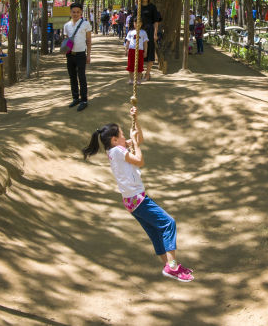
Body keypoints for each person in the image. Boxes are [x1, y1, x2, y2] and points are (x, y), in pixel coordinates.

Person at [82, 107, 194, 282]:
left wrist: (136, 119)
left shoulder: (113, 150)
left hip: (131, 201)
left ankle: (170, 266)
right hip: (138, 199)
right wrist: (133, 141)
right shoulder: (118, 151)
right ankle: (172, 266)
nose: (123, 136)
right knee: (168, 224)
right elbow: (140, 161)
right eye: (121, 134)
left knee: (155, 232)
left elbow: (138, 140)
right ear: (114, 139)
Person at [63, 3, 92, 112]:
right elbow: (67, 41)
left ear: (81, 13)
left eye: (78, 12)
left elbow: (88, 41)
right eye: (73, 12)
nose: (75, 14)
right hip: (70, 55)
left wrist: (88, 55)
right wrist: (65, 51)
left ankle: (84, 100)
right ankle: (75, 98)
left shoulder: (85, 24)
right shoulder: (67, 25)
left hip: (80, 54)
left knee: (81, 77)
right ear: (70, 12)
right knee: (72, 76)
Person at [133, 0, 161, 81]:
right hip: (140, 32)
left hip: (149, 31)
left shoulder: (152, 7)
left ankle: (147, 74)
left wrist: (155, 33)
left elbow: (156, 21)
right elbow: (134, 21)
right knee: (139, 52)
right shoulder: (137, 7)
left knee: (150, 52)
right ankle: (139, 73)